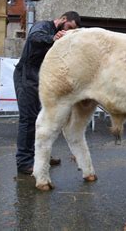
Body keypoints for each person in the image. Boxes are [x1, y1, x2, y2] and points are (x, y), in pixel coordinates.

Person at [14, 11, 81, 175]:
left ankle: (40, 156)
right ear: (63, 19)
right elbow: (34, 37)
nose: (68, 31)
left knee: (41, 119)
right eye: (69, 27)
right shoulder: (43, 26)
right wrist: (53, 38)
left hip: (40, 78)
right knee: (28, 120)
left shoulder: (58, 35)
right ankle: (24, 163)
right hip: (26, 76)